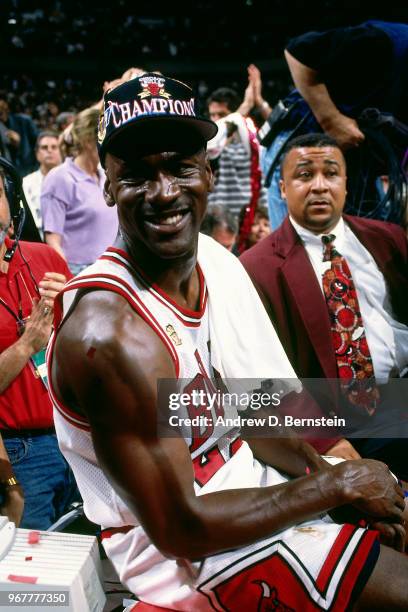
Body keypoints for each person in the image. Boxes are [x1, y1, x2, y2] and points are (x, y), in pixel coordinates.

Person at [48, 74, 408, 611]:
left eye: (179, 167)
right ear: (106, 184)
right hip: (187, 557)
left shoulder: (208, 266)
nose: (164, 191)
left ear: (209, 173)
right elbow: (180, 528)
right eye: (138, 175)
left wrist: (332, 477)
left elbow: (247, 412)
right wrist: (337, 486)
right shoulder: (111, 335)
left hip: (252, 493)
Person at [241, 133, 408, 476]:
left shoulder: (388, 238)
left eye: (331, 174)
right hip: (341, 419)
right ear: (283, 188)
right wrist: (323, 440)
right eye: (304, 175)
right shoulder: (255, 268)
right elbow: (260, 381)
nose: (319, 186)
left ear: (345, 184)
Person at [263, 21, 408, 229]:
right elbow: (298, 52)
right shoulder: (384, 43)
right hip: (304, 147)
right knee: (298, 256)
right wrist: (331, 119)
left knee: (370, 252)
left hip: (358, 165)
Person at [0, 158, 79, 530]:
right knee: (29, 577)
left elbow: (87, 348)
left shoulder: (47, 259)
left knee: (89, 563)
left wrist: (74, 306)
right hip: (20, 454)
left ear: (13, 204)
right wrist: (24, 346)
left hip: (77, 439)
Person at [41, 107, 118, 275]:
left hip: (114, 268)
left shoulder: (106, 175)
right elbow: (52, 240)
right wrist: (70, 279)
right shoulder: (59, 178)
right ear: (87, 140)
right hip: (79, 272)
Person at [206, 66, 270, 218]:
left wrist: (259, 101)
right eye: (212, 115)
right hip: (217, 222)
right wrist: (246, 105)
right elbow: (214, 142)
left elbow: (280, 132)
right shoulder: (209, 142)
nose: (216, 120)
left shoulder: (251, 138)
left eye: (221, 114)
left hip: (251, 221)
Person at [22, 131, 62, 234]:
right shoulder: (26, 183)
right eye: (44, 147)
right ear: (37, 154)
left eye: (54, 147)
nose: (49, 150)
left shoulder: (72, 180)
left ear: (61, 151)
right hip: (36, 236)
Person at [0, 93, 38, 176]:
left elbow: (37, 144)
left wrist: (19, 144)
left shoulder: (24, 121)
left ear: (7, 106)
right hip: (7, 173)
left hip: (28, 170)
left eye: (3, 106)